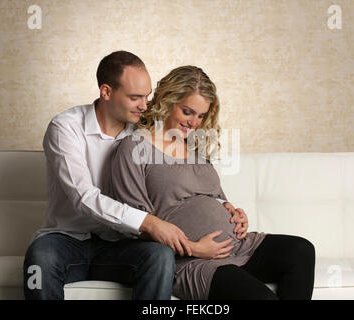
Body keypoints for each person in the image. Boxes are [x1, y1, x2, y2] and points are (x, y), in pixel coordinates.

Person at [23, 51, 235, 300]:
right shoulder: (66, 127)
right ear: (106, 92)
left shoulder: (146, 130)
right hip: (68, 238)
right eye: (135, 97)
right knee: (40, 259)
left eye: (146, 96)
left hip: (124, 243)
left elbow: (189, 170)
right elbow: (84, 197)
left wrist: (224, 203)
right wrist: (149, 222)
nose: (145, 105)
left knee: (159, 256)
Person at [108, 65, 316, 300]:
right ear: (167, 100)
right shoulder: (135, 147)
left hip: (238, 247)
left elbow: (215, 198)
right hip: (193, 260)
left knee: (300, 250)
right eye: (187, 112)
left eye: (201, 115)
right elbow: (135, 223)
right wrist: (193, 247)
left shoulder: (195, 148)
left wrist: (234, 212)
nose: (193, 122)